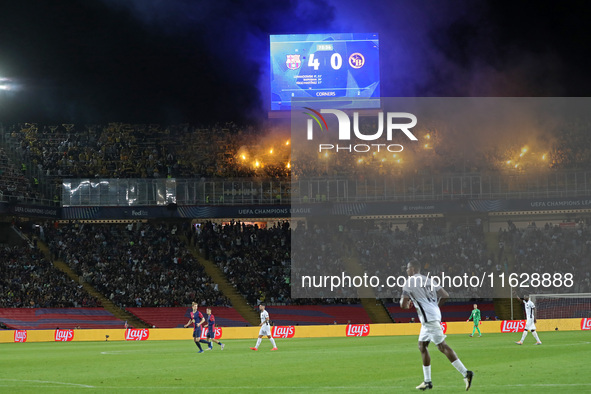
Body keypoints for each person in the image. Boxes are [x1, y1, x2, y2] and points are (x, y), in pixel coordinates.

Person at [400, 260, 473, 391]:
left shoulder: (409, 282)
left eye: (407, 268)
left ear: (412, 269)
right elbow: (445, 295)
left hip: (428, 319)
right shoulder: (429, 280)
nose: (406, 271)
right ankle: (427, 381)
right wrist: (435, 306)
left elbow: (402, 304)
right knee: (422, 346)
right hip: (432, 316)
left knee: (442, 346)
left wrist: (406, 305)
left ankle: (466, 373)